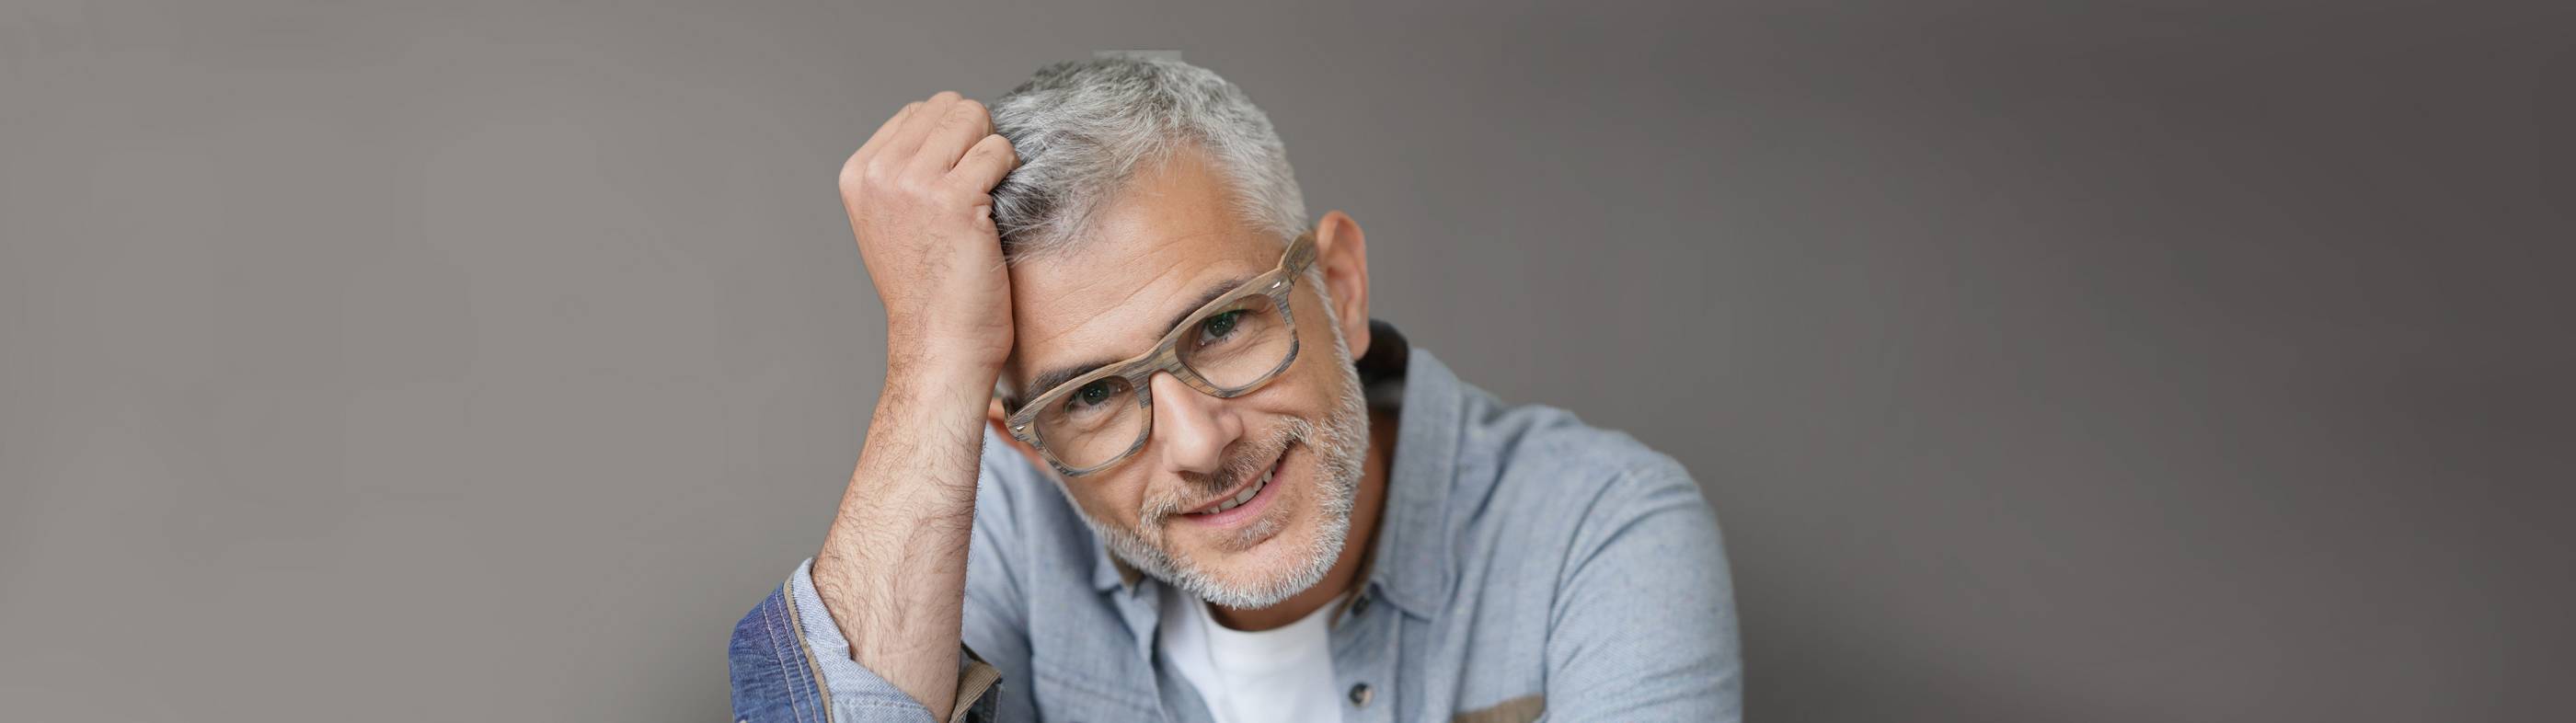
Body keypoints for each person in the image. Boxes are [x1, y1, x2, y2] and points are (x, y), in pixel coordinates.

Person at [727, 55, 1742, 723]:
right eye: (1090, 395)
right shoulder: (1004, 525)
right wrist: (931, 363)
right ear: (1021, 440)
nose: (1198, 443)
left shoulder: (1596, 526)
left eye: (1220, 326)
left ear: (1337, 290)